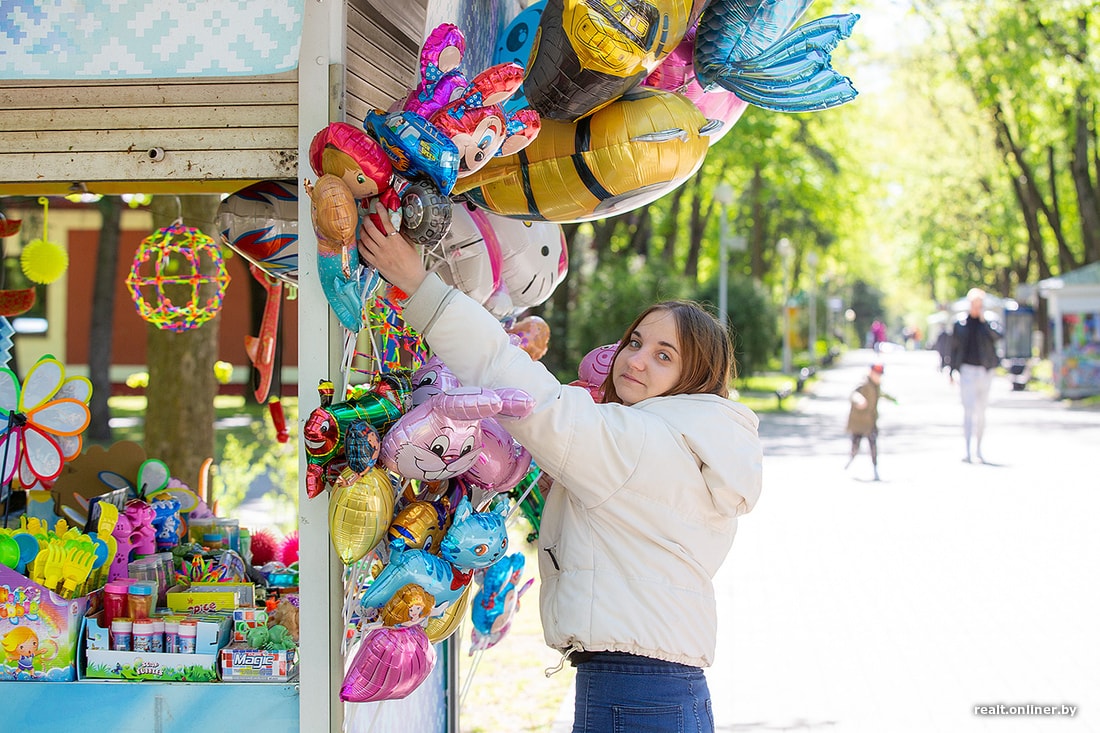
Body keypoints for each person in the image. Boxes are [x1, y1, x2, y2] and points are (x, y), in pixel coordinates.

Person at [359, 213, 763, 733]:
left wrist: (421, 287)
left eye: (664, 356)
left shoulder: (638, 442)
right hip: (662, 685)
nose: (635, 360)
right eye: (635, 342)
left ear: (695, 376)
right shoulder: (698, 441)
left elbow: (525, 392)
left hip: (633, 690)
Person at [949, 287, 1001, 463]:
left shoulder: (989, 322)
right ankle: (967, 450)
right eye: (974, 304)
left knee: (981, 411)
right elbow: (954, 348)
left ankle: (979, 449)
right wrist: (951, 370)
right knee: (968, 410)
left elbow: (998, 337)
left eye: (980, 304)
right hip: (966, 370)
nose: (976, 307)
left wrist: (984, 321)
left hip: (985, 371)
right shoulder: (960, 323)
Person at [843, 363, 896, 481]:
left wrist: (893, 399)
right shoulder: (863, 384)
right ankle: (851, 459)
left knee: (873, 444)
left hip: (871, 422)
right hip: (859, 422)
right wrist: (859, 400)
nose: (878, 376)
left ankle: (875, 467)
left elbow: (882, 394)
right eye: (876, 374)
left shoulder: (877, 386)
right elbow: (854, 394)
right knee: (855, 444)